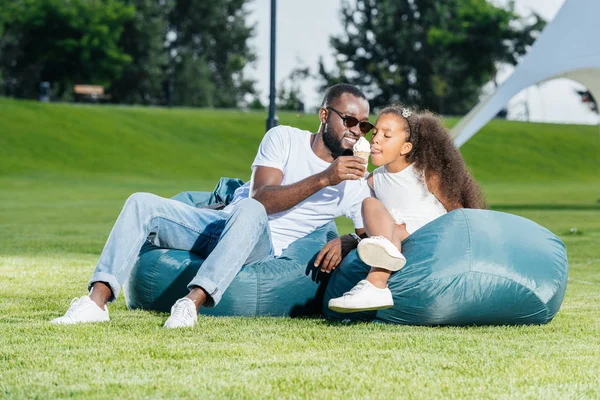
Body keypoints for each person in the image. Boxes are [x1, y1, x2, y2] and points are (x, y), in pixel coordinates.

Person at [51, 83, 374, 328]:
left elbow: (370, 235)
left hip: (260, 245)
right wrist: (324, 178)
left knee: (250, 213)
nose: (355, 131)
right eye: (348, 120)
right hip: (219, 227)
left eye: (364, 125)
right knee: (141, 203)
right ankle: (97, 302)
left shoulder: (353, 182)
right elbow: (261, 195)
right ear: (324, 115)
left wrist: (348, 240)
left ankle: (191, 304)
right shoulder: (284, 138)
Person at [328, 105, 487, 313]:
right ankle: (376, 282)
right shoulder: (374, 180)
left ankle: (376, 283)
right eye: (375, 133)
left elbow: (459, 213)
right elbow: (371, 224)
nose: (375, 139)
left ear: (405, 148)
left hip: (430, 236)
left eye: (387, 136)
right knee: (369, 205)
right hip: (395, 239)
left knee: (394, 229)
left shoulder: (426, 174)